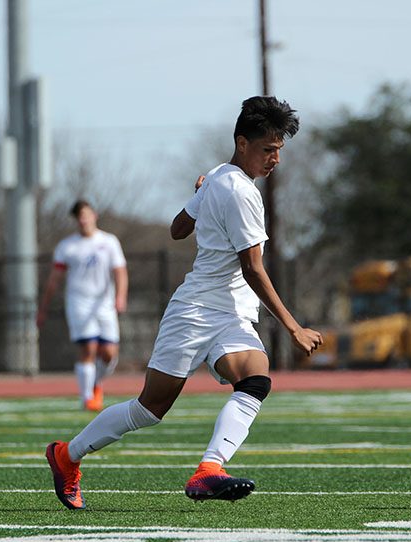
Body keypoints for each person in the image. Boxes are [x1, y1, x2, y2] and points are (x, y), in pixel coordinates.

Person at [45, 96, 322, 509]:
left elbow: (178, 228)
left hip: (229, 315)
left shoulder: (217, 178)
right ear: (242, 142)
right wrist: (293, 327)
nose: (275, 160)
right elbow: (253, 269)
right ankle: (67, 456)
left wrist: (202, 194)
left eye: (279, 150)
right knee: (149, 410)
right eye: (268, 149)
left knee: (256, 378)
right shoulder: (237, 190)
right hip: (193, 313)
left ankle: (210, 468)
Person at [37, 200, 128, 411]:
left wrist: (120, 296)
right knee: (88, 347)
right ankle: (87, 398)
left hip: (104, 304)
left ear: (94, 215)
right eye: (79, 215)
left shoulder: (110, 241)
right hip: (79, 303)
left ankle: (95, 383)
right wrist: (43, 308)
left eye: (86, 214)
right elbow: (54, 279)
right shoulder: (67, 246)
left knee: (109, 353)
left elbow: (120, 271)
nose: (83, 219)